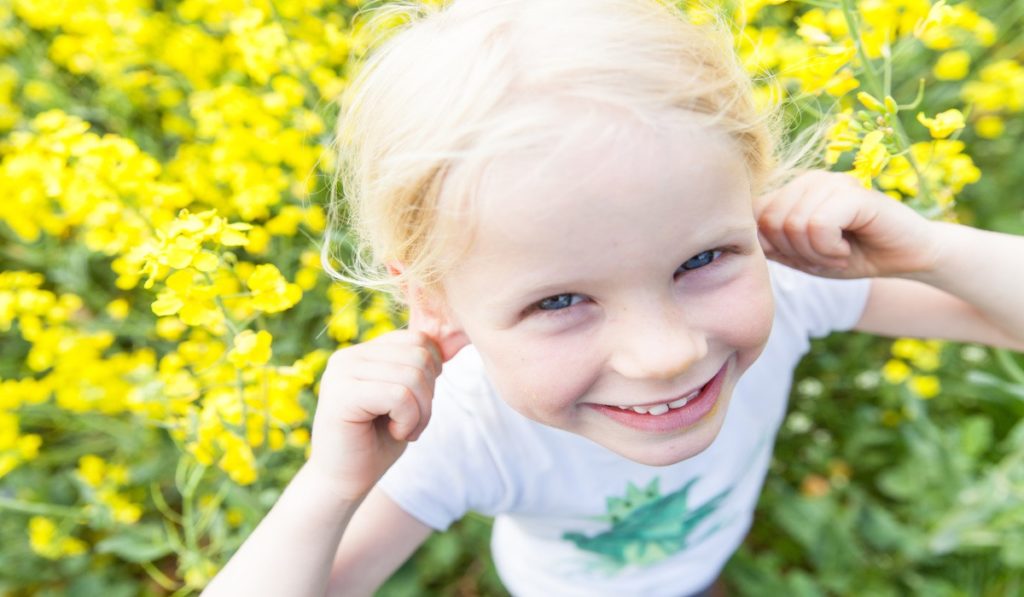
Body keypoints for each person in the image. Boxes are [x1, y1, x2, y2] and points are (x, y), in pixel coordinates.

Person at [203, 0, 1024, 595]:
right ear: (435, 301)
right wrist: (329, 487)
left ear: (753, 207)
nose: (666, 353)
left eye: (703, 256)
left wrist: (932, 248)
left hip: (703, 555)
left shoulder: (795, 283)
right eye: (560, 301)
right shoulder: (463, 430)